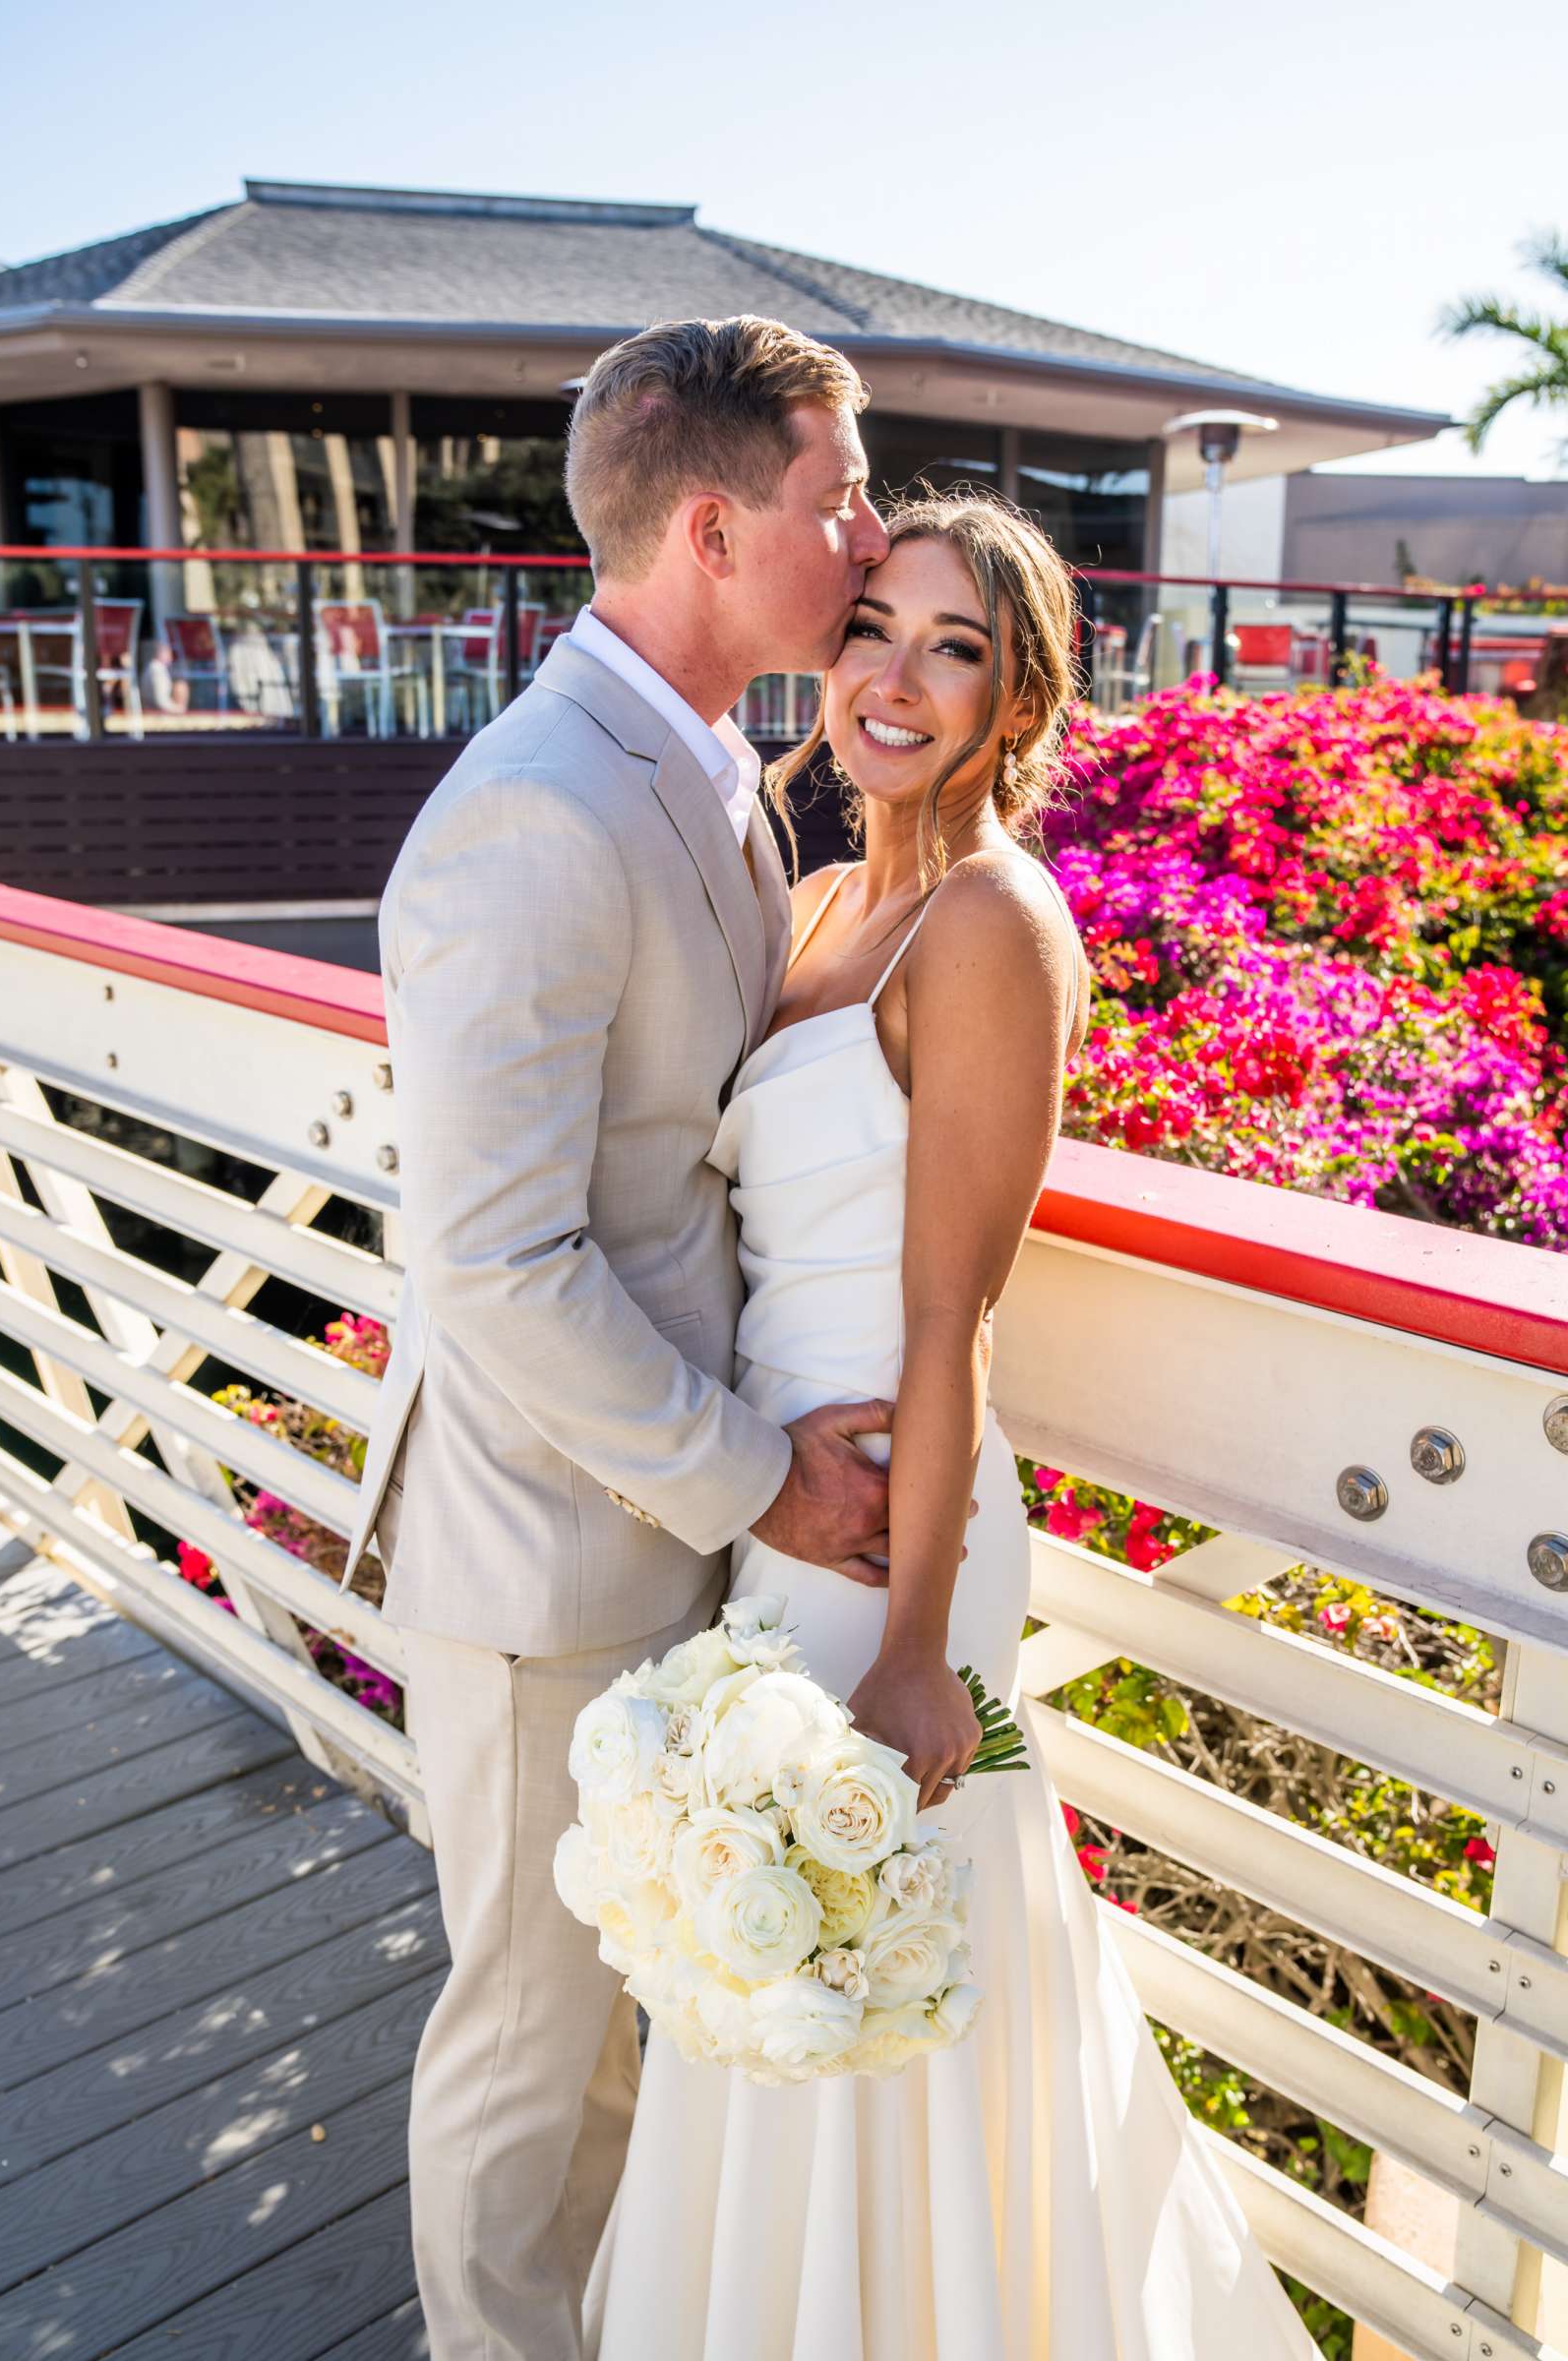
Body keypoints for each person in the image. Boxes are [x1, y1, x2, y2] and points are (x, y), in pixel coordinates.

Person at [582, 493, 1321, 2360]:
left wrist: (916, 1650)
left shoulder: (992, 928)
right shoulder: (826, 899)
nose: (896, 680)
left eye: (957, 648)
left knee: (877, 1930)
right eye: (875, 629)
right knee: (776, 1940)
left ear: (1020, 701)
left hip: (893, 1535)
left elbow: (949, 1309)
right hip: (780, 1500)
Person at [339, 315, 907, 2361]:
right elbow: (496, 1266)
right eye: (833, 495)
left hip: (657, 1524)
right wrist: (766, 1474)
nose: (863, 530)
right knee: (527, 2041)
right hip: (541, 1552)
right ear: (704, 523)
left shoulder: (711, 774)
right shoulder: (535, 814)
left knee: (619, 2029)